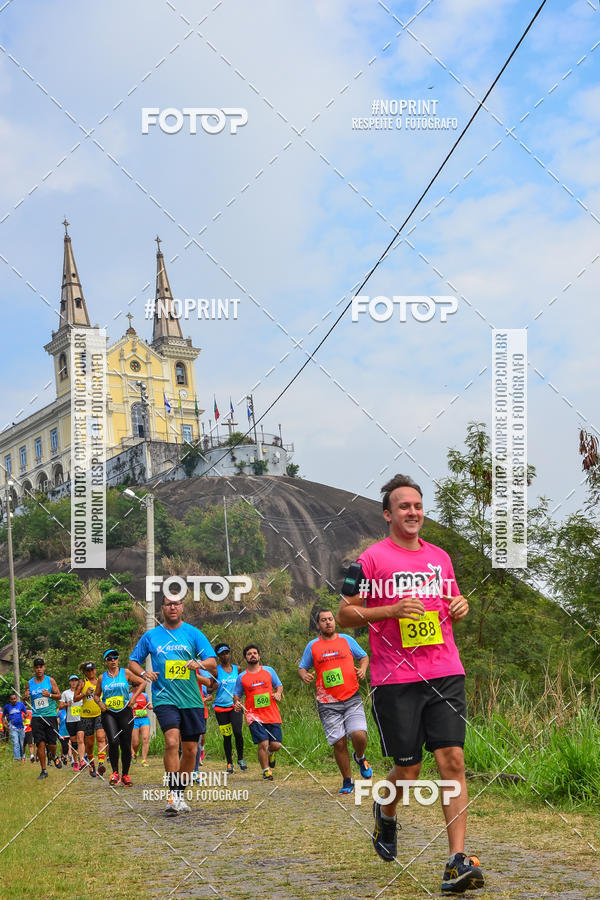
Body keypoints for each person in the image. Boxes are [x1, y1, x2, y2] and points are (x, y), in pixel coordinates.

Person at [337, 474, 484, 894]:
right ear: (388, 514)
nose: (413, 512)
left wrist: (461, 605)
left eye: (418, 506)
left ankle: (456, 860)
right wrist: (391, 610)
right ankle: (385, 813)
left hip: (444, 670)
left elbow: (455, 602)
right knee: (408, 768)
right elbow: (345, 614)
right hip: (394, 678)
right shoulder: (367, 562)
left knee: (452, 760)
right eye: (404, 507)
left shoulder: (440, 557)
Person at [128, 592, 217, 816]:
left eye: (176, 604)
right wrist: (144, 673)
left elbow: (212, 661)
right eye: (168, 604)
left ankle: (179, 793)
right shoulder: (151, 636)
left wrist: (199, 663)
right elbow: (132, 661)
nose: (172, 608)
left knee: (190, 750)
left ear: (182, 608)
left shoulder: (193, 634)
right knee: (171, 741)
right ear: (162, 609)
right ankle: (172, 795)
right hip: (164, 698)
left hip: (191, 700)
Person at [298, 609, 372, 794]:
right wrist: (304, 675)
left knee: (359, 735)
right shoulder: (312, 646)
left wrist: (362, 669)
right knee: (339, 743)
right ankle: (347, 781)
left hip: (351, 696)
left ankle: (360, 756)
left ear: (334, 622)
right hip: (327, 702)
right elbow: (302, 667)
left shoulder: (346, 640)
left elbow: (363, 656)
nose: (328, 623)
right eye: (323, 620)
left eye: (330, 619)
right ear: (318, 624)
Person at [94, 649, 146, 786]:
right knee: (113, 740)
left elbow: (142, 683)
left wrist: (133, 698)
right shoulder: (101, 678)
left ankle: (125, 775)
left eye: (115, 658)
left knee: (125, 743)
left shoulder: (126, 672)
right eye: (110, 658)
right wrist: (100, 703)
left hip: (125, 711)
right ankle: (115, 772)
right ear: (105, 661)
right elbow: (95, 695)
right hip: (109, 713)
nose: (113, 661)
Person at [233, 645, 283, 781]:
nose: (252, 655)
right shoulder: (242, 677)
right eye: (249, 654)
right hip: (253, 715)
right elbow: (237, 695)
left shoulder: (269, 671)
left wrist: (278, 693)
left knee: (276, 745)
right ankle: (266, 771)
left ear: (259, 656)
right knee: (263, 743)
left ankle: (271, 753)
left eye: (255, 653)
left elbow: (278, 685)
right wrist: (236, 703)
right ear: (245, 658)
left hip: (271, 714)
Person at [23, 658, 62, 780]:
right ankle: (43, 770)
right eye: (36, 667)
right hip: (36, 716)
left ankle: (54, 755)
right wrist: (25, 697)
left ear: (44, 668)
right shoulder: (30, 683)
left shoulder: (50, 680)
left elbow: (59, 696)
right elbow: (26, 697)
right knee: (40, 743)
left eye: (41, 666)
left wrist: (49, 695)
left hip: (50, 715)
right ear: (34, 669)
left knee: (52, 743)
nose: (39, 669)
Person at [212, 643, 246, 775]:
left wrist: (242, 699)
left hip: (235, 706)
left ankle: (241, 759)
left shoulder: (237, 669)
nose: (225, 656)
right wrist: (213, 687)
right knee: (227, 736)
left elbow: (244, 685)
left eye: (226, 652)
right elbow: (209, 688)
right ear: (218, 656)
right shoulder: (216, 670)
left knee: (238, 732)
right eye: (222, 654)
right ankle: (229, 763)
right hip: (221, 708)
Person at [73, 662, 107, 777]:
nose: (90, 672)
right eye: (88, 671)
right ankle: (92, 764)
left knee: (101, 737)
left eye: (92, 670)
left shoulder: (100, 681)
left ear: (95, 670)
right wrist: (85, 694)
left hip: (99, 713)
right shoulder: (82, 683)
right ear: (84, 672)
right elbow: (75, 698)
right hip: (86, 716)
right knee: (90, 743)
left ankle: (101, 763)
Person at [59, 675, 82, 770]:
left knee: (81, 740)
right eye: (72, 681)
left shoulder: (82, 692)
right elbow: (60, 706)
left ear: (78, 682)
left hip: (81, 719)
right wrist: (66, 704)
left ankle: (82, 760)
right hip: (70, 720)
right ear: (69, 682)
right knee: (74, 743)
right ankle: (75, 762)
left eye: (75, 680)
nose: (73, 682)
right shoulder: (65, 693)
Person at [193, 669, 213, 771]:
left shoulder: (198, 668)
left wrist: (205, 699)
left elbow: (210, 683)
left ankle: (200, 753)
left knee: (201, 736)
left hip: (200, 709)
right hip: (183, 706)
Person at [3, 691, 27, 761]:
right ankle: (17, 758)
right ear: (10, 700)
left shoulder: (21, 704)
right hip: (12, 727)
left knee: (21, 743)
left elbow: (26, 713)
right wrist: (5, 724)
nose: (14, 700)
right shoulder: (7, 707)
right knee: (15, 743)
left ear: (16, 698)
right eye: (12, 699)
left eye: (14, 698)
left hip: (21, 727)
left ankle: (22, 756)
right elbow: (3, 716)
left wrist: (25, 716)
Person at [131, 689, 152, 767]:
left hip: (144, 719)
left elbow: (148, 705)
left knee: (145, 738)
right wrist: (132, 706)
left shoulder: (145, 695)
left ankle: (144, 760)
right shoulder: (130, 695)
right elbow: (126, 707)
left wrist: (151, 706)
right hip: (134, 720)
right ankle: (134, 753)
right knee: (135, 742)